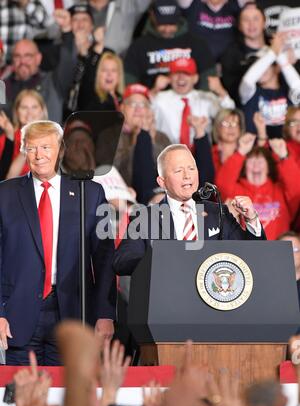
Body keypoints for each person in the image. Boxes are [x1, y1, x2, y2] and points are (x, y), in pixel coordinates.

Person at [0, 120, 116, 366]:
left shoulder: (91, 194)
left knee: (69, 400)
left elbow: (104, 259)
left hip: (73, 315)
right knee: (20, 399)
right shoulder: (5, 195)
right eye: (31, 148)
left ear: (60, 150)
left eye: (45, 147)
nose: (39, 155)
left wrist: (105, 313)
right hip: (16, 318)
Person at [113, 143, 266, 276]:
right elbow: (122, 261)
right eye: (178, 171)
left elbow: (253, 255)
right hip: (169, 302)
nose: (187, 176)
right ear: (162, 182)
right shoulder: (145, 218)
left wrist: (251, 219)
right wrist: (159, 260)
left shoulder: (219, 212)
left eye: (191, 168)